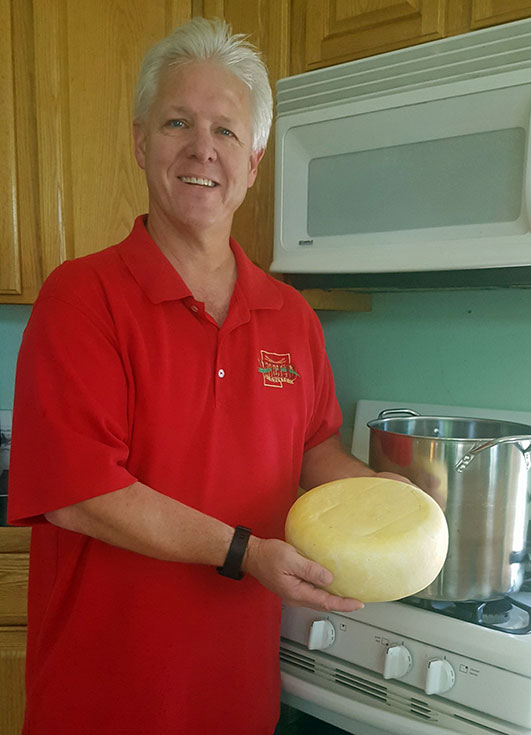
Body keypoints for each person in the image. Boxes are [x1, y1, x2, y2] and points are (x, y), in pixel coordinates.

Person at [8, 17, 405, 735]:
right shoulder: (81, 297)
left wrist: (390, 500)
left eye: (226, 131)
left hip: (235, 697)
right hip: (100, 700)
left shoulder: (290, 317)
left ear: (254, 161)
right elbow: (81, 495)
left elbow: (314, 454)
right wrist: (245, 553)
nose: (202, 148)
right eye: (177, 122)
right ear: (140, 142)